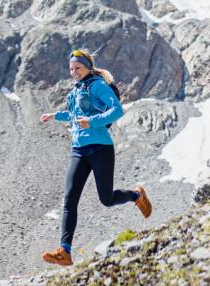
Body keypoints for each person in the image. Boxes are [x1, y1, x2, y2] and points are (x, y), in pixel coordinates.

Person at [39, 49, 152, 267]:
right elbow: (75, 116)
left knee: (107, 199)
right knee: (69, 200)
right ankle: (65, 250)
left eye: (78, 68)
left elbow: (117, 111)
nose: (74, 72)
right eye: (71, 69)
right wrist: (55, 115)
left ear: (88, 67)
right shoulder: (75, 90)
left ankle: (136, 195)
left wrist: (91, 122)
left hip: (100, 148)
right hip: (78, 150)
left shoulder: (97, 86)